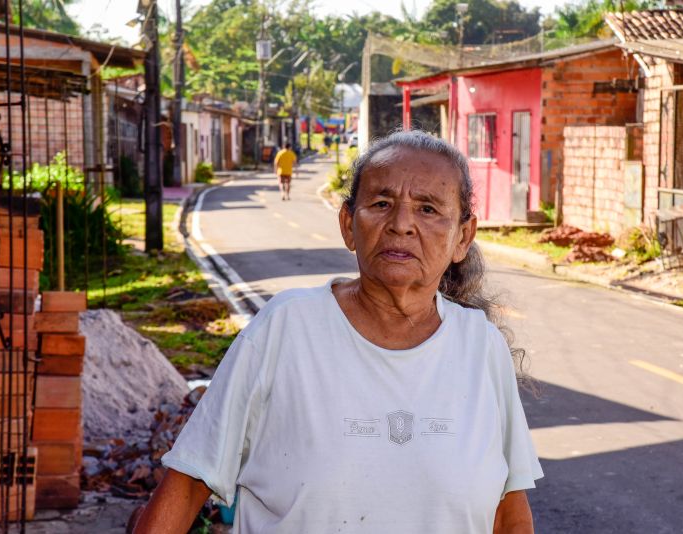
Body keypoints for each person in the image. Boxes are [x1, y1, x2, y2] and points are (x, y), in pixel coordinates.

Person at [132, 130, 543, 534]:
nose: (401, 224)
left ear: (463, 238)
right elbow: (187, 486)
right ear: (349, 224)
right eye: (381, 203)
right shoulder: (286, 329)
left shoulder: (480, 347)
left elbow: (508, 512)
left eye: (429, 209)